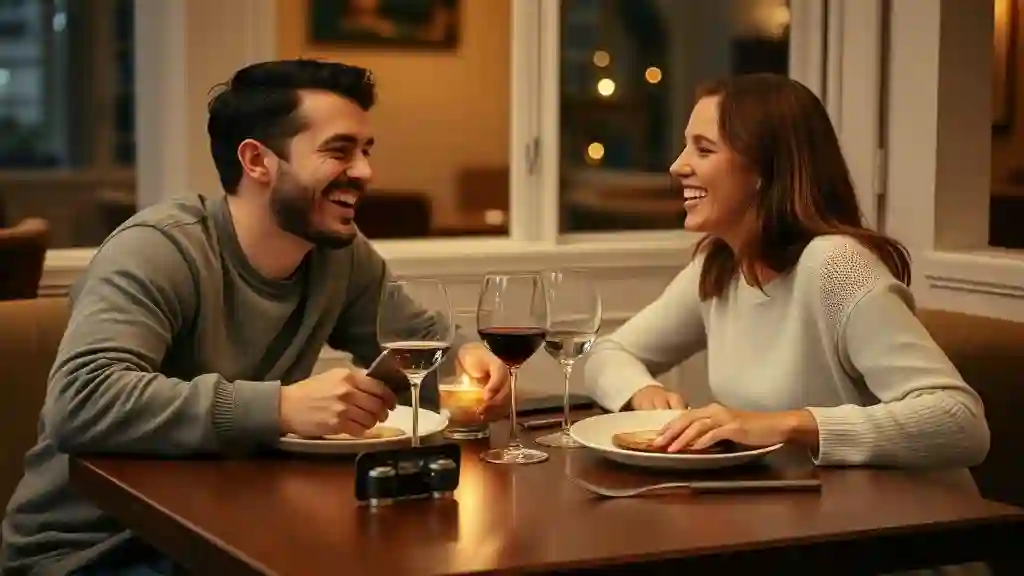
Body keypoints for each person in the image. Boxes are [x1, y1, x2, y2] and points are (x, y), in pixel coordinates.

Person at [1, 59, 511, 575]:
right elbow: (82, 400)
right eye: (339, 151)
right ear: (257, 161)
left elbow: (418, 344)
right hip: (96, 551)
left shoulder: (339, 253)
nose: (364, 171)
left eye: (366, 150)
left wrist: (465, 363)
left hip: (232, 527)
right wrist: (280, 407)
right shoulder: (158, 249)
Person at [584, 74, 990, 469]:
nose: (677, 166)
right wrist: (643, 391)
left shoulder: (836, 265)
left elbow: (960, 420)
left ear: (764, 171)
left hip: (897, 509)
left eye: (704, 150)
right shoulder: (720, 265)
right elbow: (608, 353)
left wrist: (790, 425)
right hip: (788, 502)